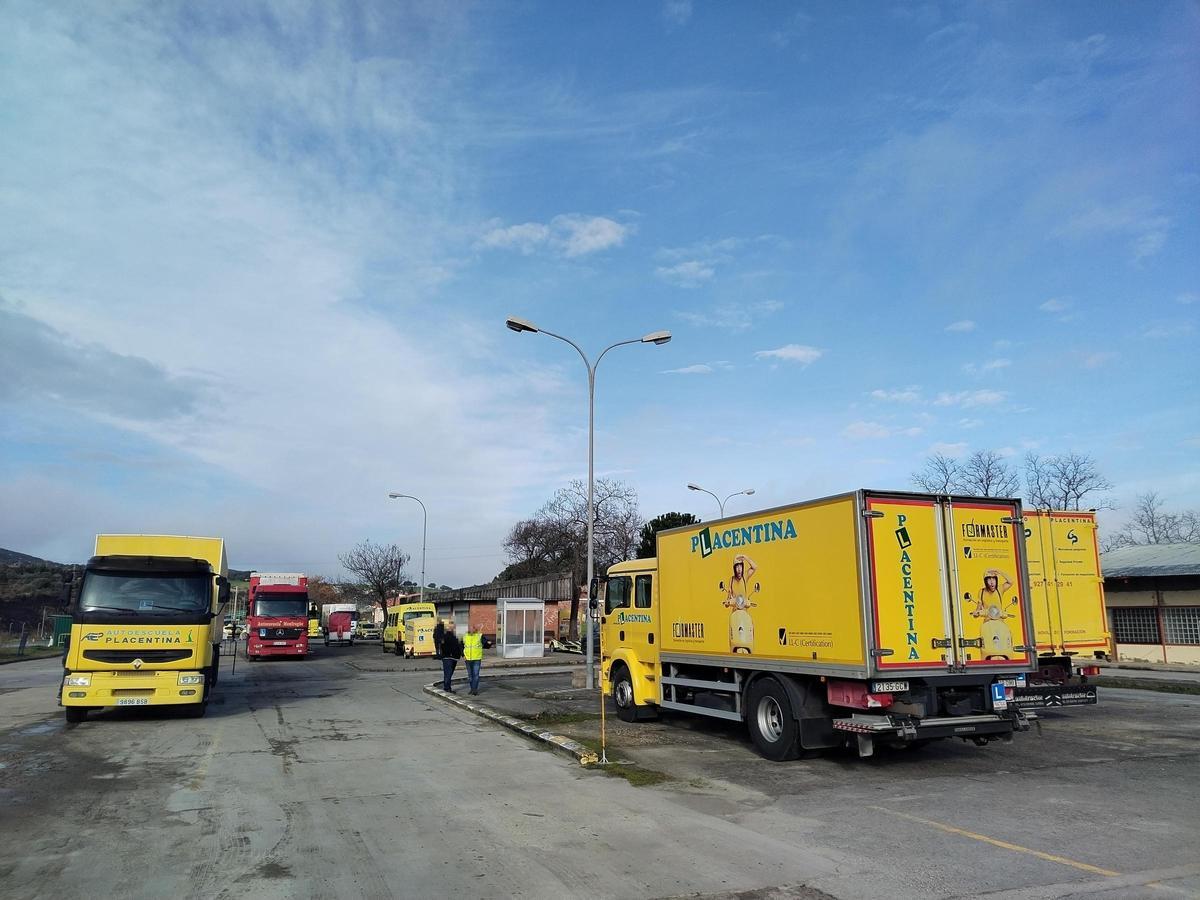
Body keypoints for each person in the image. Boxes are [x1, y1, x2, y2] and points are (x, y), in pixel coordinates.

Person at [463, 623, 484, 695]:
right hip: (468, 658)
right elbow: (461, 646)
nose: (471, 630)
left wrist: (488, 643)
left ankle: (474, 690)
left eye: (473, 628)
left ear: (475, 629)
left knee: (475, 674)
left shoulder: (479, 636)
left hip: (476, 658)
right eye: (470, 628)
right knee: (470, 675)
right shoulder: (465, 636)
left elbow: (485, 643)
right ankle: (472, 689)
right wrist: (463, 655)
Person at [440, 623, 462, 692]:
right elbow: (443, 647)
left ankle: (447, 687)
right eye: (452, 628)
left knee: (448, 673)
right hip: (449, 657)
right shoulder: (447, 636)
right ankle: (447, 688)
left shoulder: (455, 636)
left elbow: (459, 646)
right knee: (448, 673)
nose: (453, 629)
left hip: (452, 657)